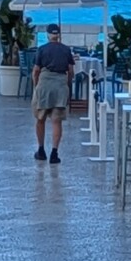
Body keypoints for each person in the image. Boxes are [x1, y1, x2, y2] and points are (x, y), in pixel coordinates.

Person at [31, 23, 77, 162]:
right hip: (60, 85)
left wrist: (36, 86)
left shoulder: (42, 49)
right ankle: (54, 153)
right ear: (58, 35)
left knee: (40, 119)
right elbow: (71, 72)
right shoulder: (66, 50)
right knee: (57, 121)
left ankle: (40, 150)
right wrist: (67, 85)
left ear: (48, 34)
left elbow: (36, 71)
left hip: (44, 84)